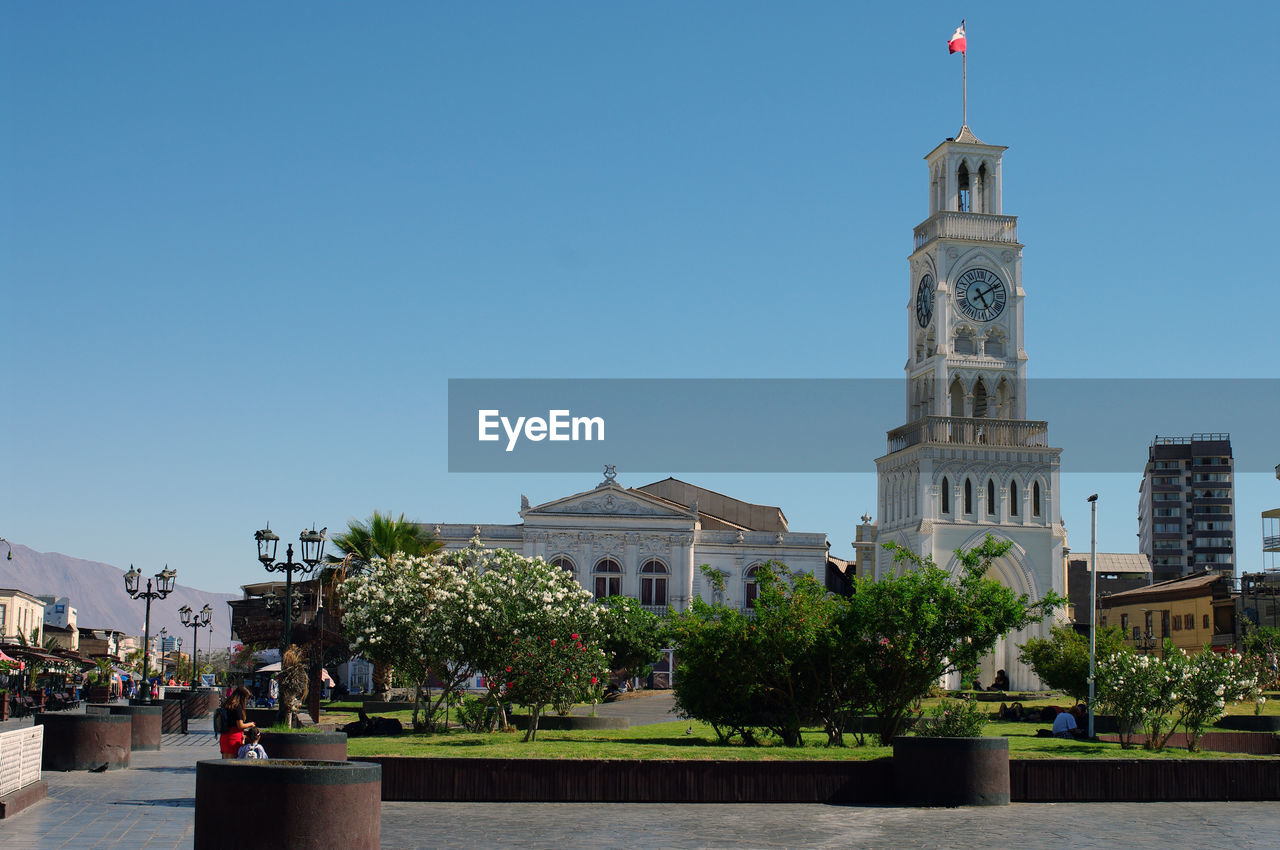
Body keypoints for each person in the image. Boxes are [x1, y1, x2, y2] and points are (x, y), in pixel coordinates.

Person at [219, 686, 256, 759]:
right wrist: (251, 724)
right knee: (232, 763)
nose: (246, 700)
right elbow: (240, 725)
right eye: (246, 698)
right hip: (234, 737)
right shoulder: (237, 707)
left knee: (224, 762)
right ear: (242, 697)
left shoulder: (227, 704)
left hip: (224, 736)